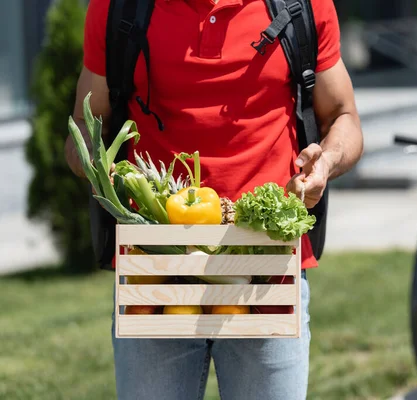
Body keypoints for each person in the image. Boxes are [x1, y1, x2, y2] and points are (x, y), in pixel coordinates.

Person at [64, 0, 364, 399]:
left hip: (265, 267)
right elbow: (85, 122)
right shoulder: (119, 7)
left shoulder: (301, 5)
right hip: (155, 272)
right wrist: (100, 168)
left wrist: (325, 162)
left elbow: (343, 115)